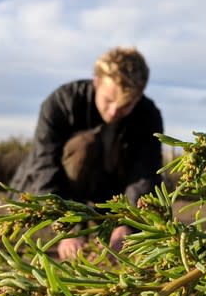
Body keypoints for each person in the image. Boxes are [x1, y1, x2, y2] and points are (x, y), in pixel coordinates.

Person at [9, 46, 163, 260]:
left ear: (139, 96)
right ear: (97, 82)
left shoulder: (148, 115)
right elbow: (44, 166)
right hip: (55, 192)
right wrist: (66, 227)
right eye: (108, 101)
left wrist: (129, 225)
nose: (114, 112)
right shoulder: (61, 103)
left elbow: (145, 174)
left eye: (125, 105)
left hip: (107, 197)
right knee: (84, 146)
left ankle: (103, 227)